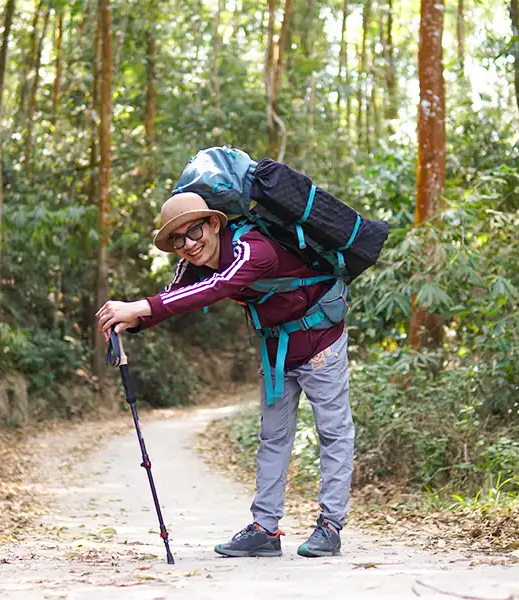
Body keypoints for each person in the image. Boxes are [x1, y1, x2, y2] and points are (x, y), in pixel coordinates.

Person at [95, 191, 355, 558]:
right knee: (273, 438)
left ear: (214, 223)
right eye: (177, 239)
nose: (187, 244)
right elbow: (175, 296)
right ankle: (265, 530)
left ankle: (330, 526)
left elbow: (220, 287)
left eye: (194, 231)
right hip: (274, 349)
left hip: (321, 342)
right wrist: (132, 319)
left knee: (333, 433)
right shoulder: (196, 262)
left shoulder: (253, 248)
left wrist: (141, 306)